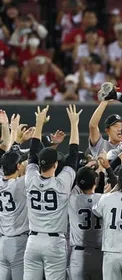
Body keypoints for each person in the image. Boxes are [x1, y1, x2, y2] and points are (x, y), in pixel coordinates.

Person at [23, 104, 80, 280]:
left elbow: (32, 152)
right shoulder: (62, 183)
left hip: (32, 241)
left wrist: (38, 123)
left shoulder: (30, 178)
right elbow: (73, 155)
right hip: (54, 242)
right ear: (55, 164)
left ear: (40, 164)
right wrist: (74, 124)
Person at [0, 124, 29, 280]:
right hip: (18, 241)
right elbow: (34, 165)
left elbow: (6, 157)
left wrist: (14, 137)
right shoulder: (20, 184)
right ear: (18, 166)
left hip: (2, 241)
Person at [68, 166, 103, 280]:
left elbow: (72, 186)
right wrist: (103, 169)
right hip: (98, 255)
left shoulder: (71, 199)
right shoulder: (104, 199)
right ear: (95, 182)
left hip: (78, 255)